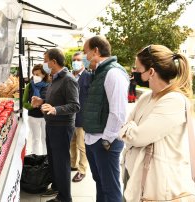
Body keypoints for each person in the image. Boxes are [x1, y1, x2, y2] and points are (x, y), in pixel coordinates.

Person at [119, 45, 195, 201]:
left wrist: (130, 129)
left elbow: (137, 137)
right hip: (135, 176)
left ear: (151, 72)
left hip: (158, 188)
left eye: (138, 70)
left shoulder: (173, 100)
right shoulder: (146, 98)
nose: (134, 73)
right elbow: (126, 126)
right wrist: (130, 128)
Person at [82, 36, 129, 202]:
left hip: (105, 141)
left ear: (96, 51)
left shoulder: (113, 72)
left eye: (85, 53)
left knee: (110, 189)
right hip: (95, 138)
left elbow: (118, 113)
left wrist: (106, 140)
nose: (84, 58)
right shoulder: (100, 72)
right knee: (101, 184)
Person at [31, 48, 80, 202]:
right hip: (52, 124)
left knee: (61, 162)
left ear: (53, 61)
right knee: (53, 160)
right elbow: (54, 101)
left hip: (62, 126)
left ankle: (65, 198)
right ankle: (58, 187)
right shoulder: (55, 78)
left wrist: (55, 109)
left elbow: (75, 105)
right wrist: (42, 102)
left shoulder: (68, 79)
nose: (44, 63)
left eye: (46, 60)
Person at [70, 52, 92, 183]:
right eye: (74, 60)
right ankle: (73, 164)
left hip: (82, 116)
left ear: (84, 62)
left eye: (78, 60)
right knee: (71, 143)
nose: (76, 62)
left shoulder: (88, 76)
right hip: (70, 116)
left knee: (81, 145)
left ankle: (82, 170)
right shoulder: (71, 76)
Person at [23, 64, 50, 155]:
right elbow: (24, 102)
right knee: (35, 139)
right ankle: (36, 159)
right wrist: (31, 106)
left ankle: (46, 159)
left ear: (44, 74)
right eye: (34, 74)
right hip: (33, 117)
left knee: (45, 139)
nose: (35, 77)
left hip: (46, 117)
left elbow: (53, 101)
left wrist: (43, 103)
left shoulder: (49, 85)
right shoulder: (29, 86)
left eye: (38, 74)